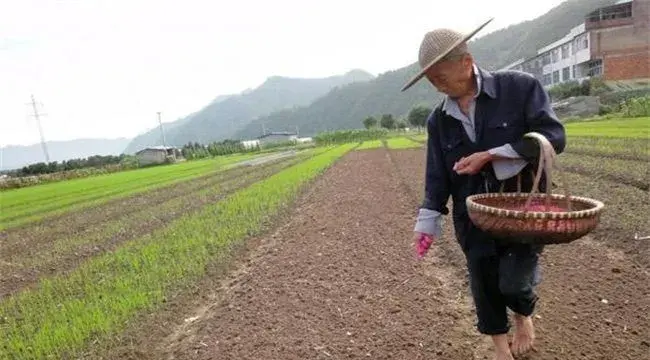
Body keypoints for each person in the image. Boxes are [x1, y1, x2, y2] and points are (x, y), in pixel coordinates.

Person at [401, 19, 566, 360]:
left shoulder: (519, 88)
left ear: (466, 61)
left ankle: (523, 315)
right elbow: (437, 175)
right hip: (471, 214)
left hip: (521, 207)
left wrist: (491, 155)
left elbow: (554, 137)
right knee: (483, 280)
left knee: (514, 281)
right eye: (430, 81)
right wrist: (427, 222)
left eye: (440, 77)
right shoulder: (439, 119)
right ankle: (499, 349)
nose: (436, 86)